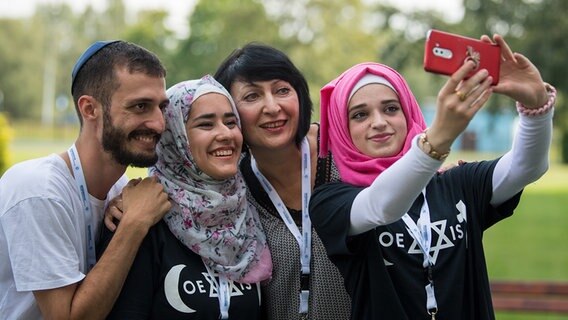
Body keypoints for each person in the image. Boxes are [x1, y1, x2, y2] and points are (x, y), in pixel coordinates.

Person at [309, 34, 555, 319]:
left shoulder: (456, 183)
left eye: (391, 108)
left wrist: (536, 108)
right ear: (342, 128)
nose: (378, 122)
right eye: (360, 115)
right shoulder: (331, 201)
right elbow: (382, 206)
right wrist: (437, 139)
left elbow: (526, 167)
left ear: (408, 112)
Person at [0, 40, 172, 319]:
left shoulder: (120, 190)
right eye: (140, 106)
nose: (158, 123)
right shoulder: (38, 190)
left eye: (161, 107)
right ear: (90, 109)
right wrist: (133, 224)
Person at [98, 75, 272, 319]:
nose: (225, 134)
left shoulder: (249, 213)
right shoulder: (142, 217)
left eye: (231, 122)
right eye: (206, 124)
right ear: (175, 136)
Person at [214, 43, 351, 319]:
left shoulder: (346, 153)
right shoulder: (230, 187)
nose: (272, 107)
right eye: (252, 96)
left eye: (282, 90)